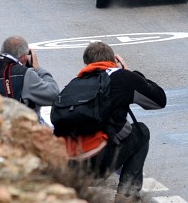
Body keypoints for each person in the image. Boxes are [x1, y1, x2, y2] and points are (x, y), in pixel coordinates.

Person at [58, 41, 166, 203]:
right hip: (99, 160)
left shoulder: (74, 84)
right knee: (141, 131)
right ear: (113, 61)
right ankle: (127, 196)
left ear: (87, 64)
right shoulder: (122, 77)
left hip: (70, 164)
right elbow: (158, 100)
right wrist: (132, 74)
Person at [0, 36, 60, 112]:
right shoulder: (25, 75)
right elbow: (54, 95)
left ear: (0, 52)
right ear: (24, 58)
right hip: (18, 126)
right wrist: (38, 69)